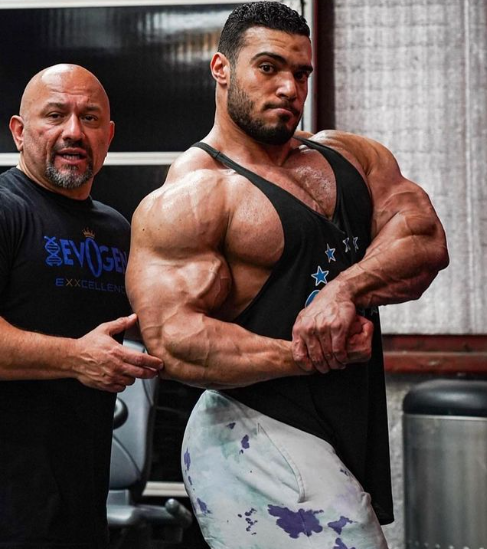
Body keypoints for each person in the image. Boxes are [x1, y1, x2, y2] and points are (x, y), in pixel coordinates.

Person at [127, 3, 449, 548]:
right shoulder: (196, 193)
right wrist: (307, 354)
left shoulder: (349, 155)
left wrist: (343, 289)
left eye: (300, 73)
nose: (288, 88)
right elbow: (173, 340)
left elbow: (424, 240)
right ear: (221, 68)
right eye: (268, 67)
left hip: (343, 423)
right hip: (253, 431)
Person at [0, 64, 163, 548]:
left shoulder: (117, 230)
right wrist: (75, 357)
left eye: (89, 118)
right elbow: (85, 356)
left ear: (108, 136)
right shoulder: (7, 211)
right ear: (19, 131)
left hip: (81, 507)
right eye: (55, 115)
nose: (74, 131)